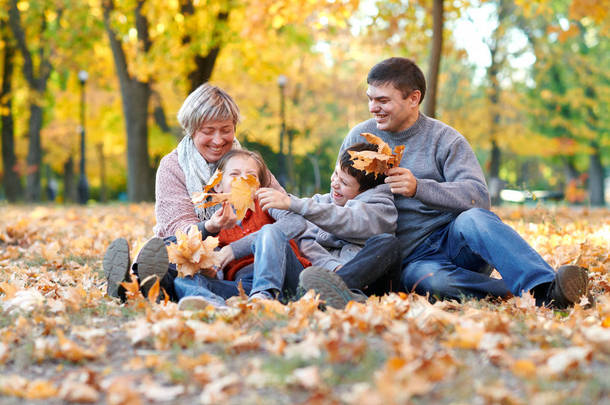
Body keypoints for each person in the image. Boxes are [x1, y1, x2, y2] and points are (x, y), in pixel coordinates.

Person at [336, 57, 588, 308]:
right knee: (434, 282)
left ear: (413, 98)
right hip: (410, 260)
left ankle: (545, 284)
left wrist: (419, 188)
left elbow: (479, 197)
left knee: (475, 218)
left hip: (455, 242)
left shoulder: (445, 139)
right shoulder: (359, 137)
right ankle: (533, 295)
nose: (372, 107)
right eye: (370, 98)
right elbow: (337, 197)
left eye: (382, 100)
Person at [103, 83, 282, 302]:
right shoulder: (173, 166)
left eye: (226, 130)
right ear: (191, 129)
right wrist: (210, 228)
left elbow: (281, 206)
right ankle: (136, 284)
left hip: (238, 254)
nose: (218, 140)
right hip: (194, 245)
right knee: (172, 251)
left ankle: (138, 289)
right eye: (208, 131)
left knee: (184, 273)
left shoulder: (247, 165)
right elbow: (177, 226)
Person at [257, 143, 402, 309]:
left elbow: (348, 219)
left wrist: (294, 203)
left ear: (364, 192)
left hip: (368, 287)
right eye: (335, 174)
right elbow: (306, 241)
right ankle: (327, 293)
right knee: (277, 236)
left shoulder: (382, 208)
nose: (334, 183)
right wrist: (333, 268)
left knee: (389, 243)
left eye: (344, 183)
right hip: (316, 279)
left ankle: (339, 290)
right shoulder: (320, 203)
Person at [174, 149, 310, 308]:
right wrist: (212, 270)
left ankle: (264, 297)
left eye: (251, 176)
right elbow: (217, 262)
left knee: (269, 231)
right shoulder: (218, 222)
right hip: (244, 287)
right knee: (184, 279)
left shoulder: (266, 203)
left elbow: (297, 221)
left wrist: (234, 250)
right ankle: (213, 305)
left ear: (258, 186)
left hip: (287, 277)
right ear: (218, 186)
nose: (242, 180)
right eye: (234, 174)